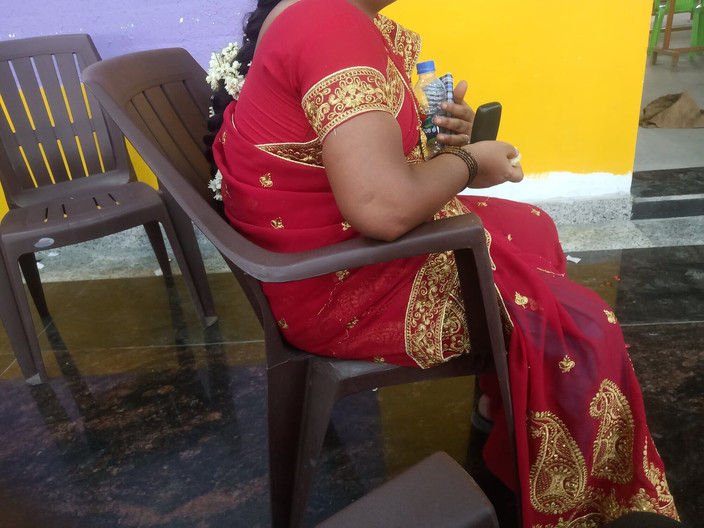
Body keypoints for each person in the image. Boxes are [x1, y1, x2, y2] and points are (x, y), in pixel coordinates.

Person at [207, 0, 679, 526]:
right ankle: (589, 505)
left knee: (533, 227)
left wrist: (440, 141)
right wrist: (470, 162)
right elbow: (381, 206)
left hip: (323, 254)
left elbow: (350, 156)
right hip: (340, 285)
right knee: (588, 328)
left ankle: (500, 401)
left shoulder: (317, 12)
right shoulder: (330, 24)